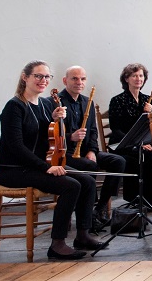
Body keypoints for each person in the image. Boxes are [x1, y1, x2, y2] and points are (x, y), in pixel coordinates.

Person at [0, 61, 106, 260]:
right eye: (38, 76)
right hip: (14, 169)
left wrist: (56, 121)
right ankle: (57, 244)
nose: (43, 80)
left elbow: (48, 138)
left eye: (47, 77)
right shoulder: (15, 106)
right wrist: (47, 167)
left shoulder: (46, 105)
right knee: (71, 186)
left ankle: (82, 235)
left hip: (37, 165)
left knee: (88, 180)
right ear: (25, 77)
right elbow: (16, 147)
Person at [58, 66, 126, 230]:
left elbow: (93, 132)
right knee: (89, 166)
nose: (79, 82)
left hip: (85, 152)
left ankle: (100, 208)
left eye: (82, 79)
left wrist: (92, 151)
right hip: (65, 154)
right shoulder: (56, 102)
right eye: (74, 78)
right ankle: (86, 214)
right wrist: (70, 137)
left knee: (118, 161)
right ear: (65, 81)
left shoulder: (86, 101)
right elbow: (50, 134)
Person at [108, 63, 152, 208]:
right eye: (134, 76)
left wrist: (150, 113)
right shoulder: (117, 100)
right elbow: (115, 129)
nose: (138, 79)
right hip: (123, 143)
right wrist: (137, 144)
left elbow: (149, 127)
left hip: (142, 142)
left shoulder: (147, 99)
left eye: (141, 76)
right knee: (142, 155)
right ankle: (136, 198)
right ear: (126, 79)